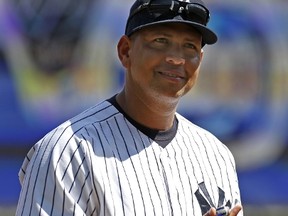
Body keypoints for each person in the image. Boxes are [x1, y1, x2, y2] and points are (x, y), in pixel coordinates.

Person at [16, 0, 243, 215]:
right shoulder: (67, 152)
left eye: (189, 46)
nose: (176, 59)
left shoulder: (216, 156)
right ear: (125, 51)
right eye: (161, 41)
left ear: (200, 60)